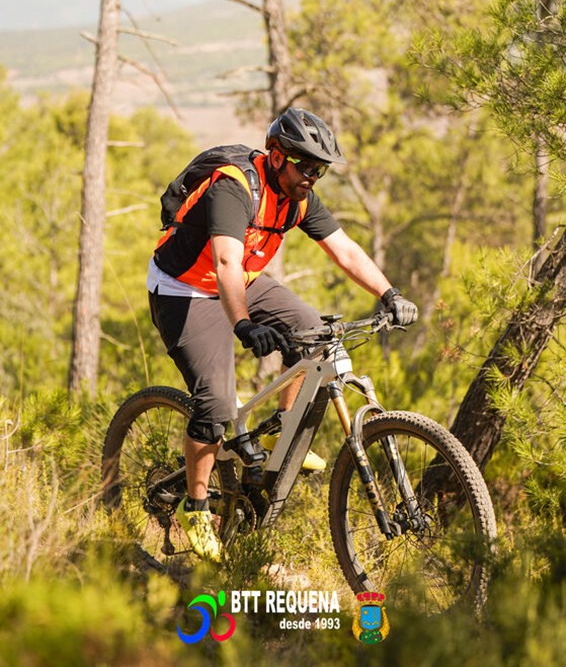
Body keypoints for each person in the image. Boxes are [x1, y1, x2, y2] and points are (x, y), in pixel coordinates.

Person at [147, 108, 418, 561]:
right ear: (276, 158)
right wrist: (243, 324)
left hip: (243, 281)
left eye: (320, 169)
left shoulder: (299, 197)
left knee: (314, 333)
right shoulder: (235, 188)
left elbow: (345, 250)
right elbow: (226, 262)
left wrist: (389, 293)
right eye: (305, 166)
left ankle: (278, 430)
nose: (312, 177)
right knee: (215, 403)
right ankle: (195, 507)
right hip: (184, 290)